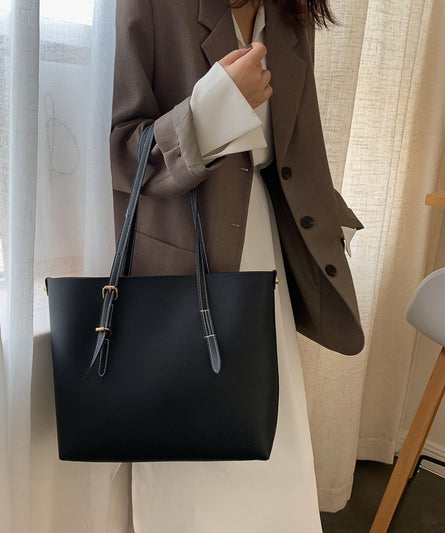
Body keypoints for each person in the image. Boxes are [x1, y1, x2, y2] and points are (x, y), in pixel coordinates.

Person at [106, 0, 365, 531]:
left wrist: (326, 224)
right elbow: (119, 153)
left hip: (263, 253)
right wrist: (211, 110)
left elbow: (296, 146)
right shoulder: (152, 7)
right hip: (182, 256)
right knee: (192, 450)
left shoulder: (289, 16)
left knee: (269, 434)